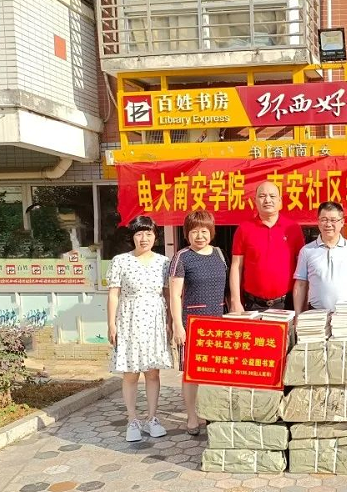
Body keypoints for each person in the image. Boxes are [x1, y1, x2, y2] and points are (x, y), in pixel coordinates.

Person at [106, 215, 171, 442]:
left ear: (155, 236)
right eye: (139, 233)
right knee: (131, 373)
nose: (144, 238)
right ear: (132, 236)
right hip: (129, 320)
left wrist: (170, 322)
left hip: (154, 321)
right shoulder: (120, 261)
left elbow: (167, 294)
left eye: (149, 233)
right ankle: (132, 419)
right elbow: (113, 294)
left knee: (153, 372)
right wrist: (111, 323)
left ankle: (152, 418)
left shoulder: (164, 262)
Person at [169, 210, 227, 435]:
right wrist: (177, 325)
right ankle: (192, 416)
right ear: (187, 234)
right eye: (194, 232)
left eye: (204, 231)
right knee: (191, 372)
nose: (199, 236)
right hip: (193, 323)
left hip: (218, 320)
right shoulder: (182, 257)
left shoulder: (220, 254)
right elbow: (175, 295)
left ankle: (209, 413)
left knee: (214, 371)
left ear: (211, 232)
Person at [229, 181, 305, 313]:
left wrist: (302, 304)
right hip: (253, 305)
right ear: (255, 201)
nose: (267, 200)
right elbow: (236, 266)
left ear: (280, 201)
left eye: (272, 196)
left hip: (286, 303)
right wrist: (235, 301)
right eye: (262, 196)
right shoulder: (244, 229)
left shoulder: (293, 228)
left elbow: (302, 268)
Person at [292, 202, 347, 331]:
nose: (328, 224)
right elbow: (300, 284)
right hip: (316, 315)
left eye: (333, 220)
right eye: (324, 219)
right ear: (318, 222)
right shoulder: (307, 251)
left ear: (342, 222)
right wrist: (298, 315)